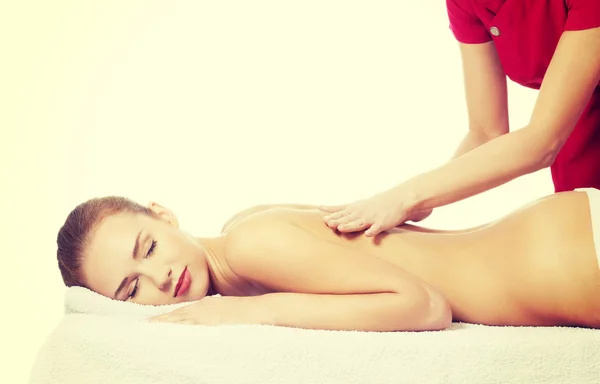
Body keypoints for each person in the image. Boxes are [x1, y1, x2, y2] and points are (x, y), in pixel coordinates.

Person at [56, 188, 600, 332]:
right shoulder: (246, 233)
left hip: (572, 256)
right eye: (131, 290)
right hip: (562, 247)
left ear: (163, 215)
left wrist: (249, 312)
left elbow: (424, 305)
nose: (159, 278)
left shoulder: (251, 245)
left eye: (147, 248)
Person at [321, 0, 600, 237]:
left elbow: (543, 142)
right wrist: (414, 202)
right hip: (577, 134)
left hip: (566, 129)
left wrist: (408, 197)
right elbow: (485, 131)